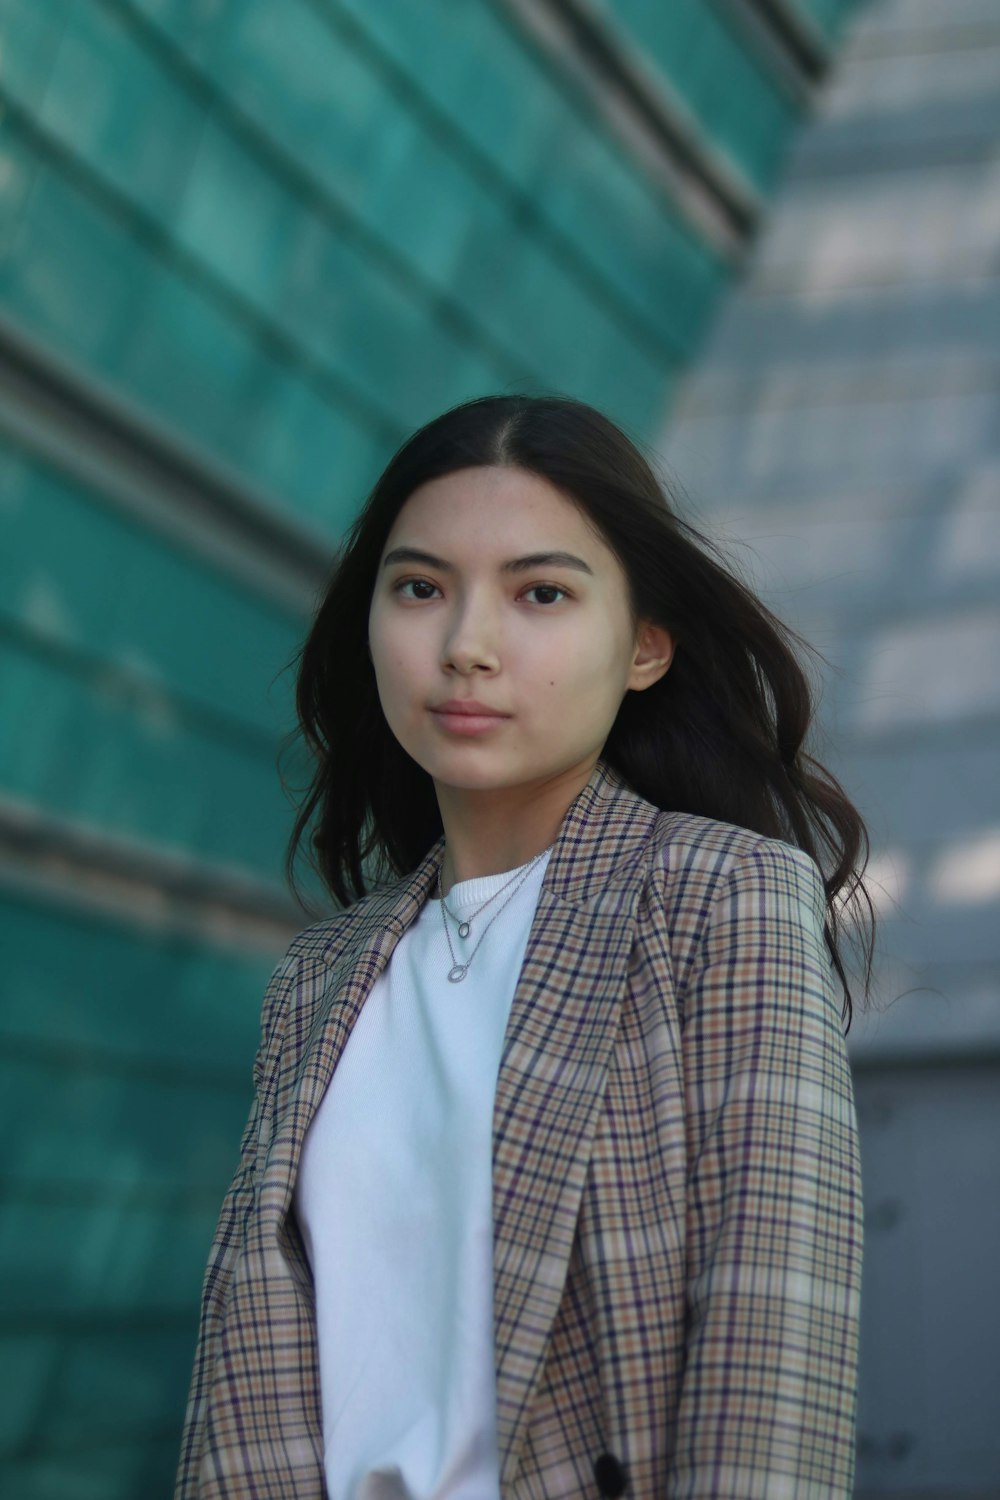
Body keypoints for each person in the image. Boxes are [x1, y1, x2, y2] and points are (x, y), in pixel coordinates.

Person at [175, 394, 873, 1499]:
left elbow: (771, 1342)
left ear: (644, 645)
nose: (465, 646)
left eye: (539, 592)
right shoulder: (320, 978)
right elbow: (253, 1379)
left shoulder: (721, 900)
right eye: (419, 589)